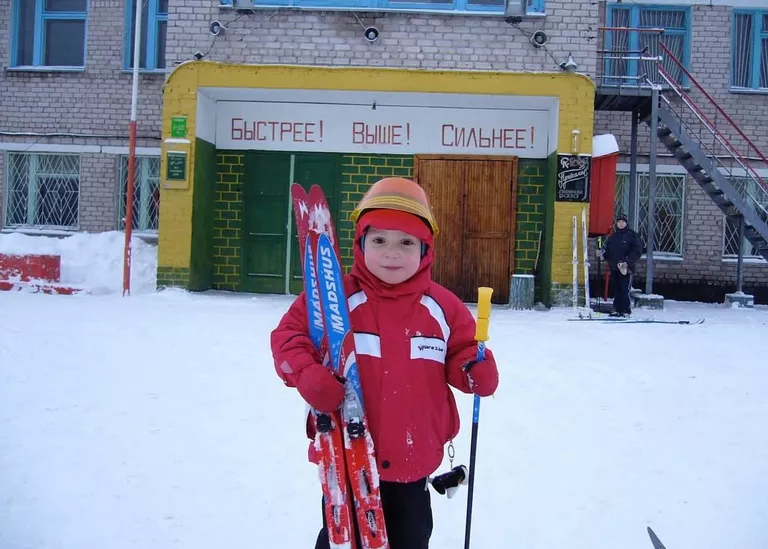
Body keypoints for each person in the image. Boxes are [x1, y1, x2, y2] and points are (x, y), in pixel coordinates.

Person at [270, 177, 500, 549]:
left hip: (413, 462)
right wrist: (307, 374)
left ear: (426, 250)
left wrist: (475, 371)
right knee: (341, 540)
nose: (391, 254)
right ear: (360, 244)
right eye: (379, 241)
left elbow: (462, 353)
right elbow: (287, 338)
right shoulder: (335, 297)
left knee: (410, 538)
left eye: (406, 243)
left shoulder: (442, 306)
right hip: (347, 458)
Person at [601, 214, 643, 317]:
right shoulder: (613, 237)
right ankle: (617, 309)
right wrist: (603, 255)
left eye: (622, 222)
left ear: (626, 223)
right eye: (619, 222)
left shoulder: (632, 236)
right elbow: (609, 251)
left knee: (625, 289)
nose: (620, 224)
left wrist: (627, 262)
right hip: (615, 268)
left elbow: (637, 251)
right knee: (617, 289)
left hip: (626, 268)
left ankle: (626, 310)